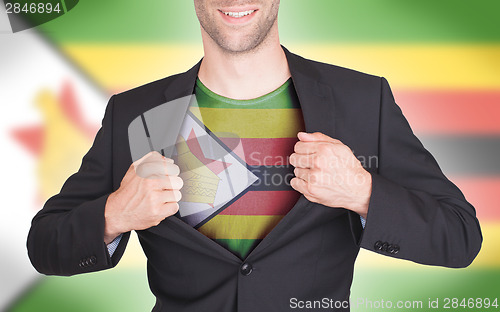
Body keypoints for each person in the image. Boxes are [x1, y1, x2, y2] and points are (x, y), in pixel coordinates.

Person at [27, 1, 482, 311]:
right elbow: (45, 245)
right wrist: (114, 214)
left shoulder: (362, 100)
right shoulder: (136, 113)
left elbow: (460, 237)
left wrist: (363, 192)